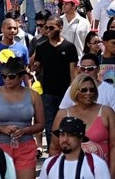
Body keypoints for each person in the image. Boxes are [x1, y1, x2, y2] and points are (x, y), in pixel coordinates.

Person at [49, 75, 115, 177]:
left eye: (92, 90)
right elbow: (54, 147)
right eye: (84, 90)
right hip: (70, 173)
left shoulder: (106, 112)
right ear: (75, 91)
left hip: (100, 173)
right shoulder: (63, 114)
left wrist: (112, 173)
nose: (88, 93)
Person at [0, 57, 44, 179]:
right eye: (4, 76)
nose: (6, 79)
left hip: (25, 146)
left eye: (11, 76)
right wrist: (2, 129)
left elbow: (41, 124)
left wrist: (25, 130)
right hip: (0, 146)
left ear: (21, 77)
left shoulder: (33, 95)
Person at [33, 15, 79, 152]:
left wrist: (74, 92)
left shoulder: (69, 47)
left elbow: (73, 72)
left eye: (51, 27)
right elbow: (37, 66)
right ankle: (52, 153)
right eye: (46, 27)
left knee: (67, 124)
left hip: (66, 93)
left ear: (60, 27)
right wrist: (34, 66)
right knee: (50, 125)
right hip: (47, 93)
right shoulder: (41, 47)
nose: (48, 30)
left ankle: (69, 150)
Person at [38, 116, 111, 179]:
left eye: (70, 135)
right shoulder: (49, 164)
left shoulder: (97, 164)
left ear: (81, 138)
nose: (65, 139)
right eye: (62, 134)